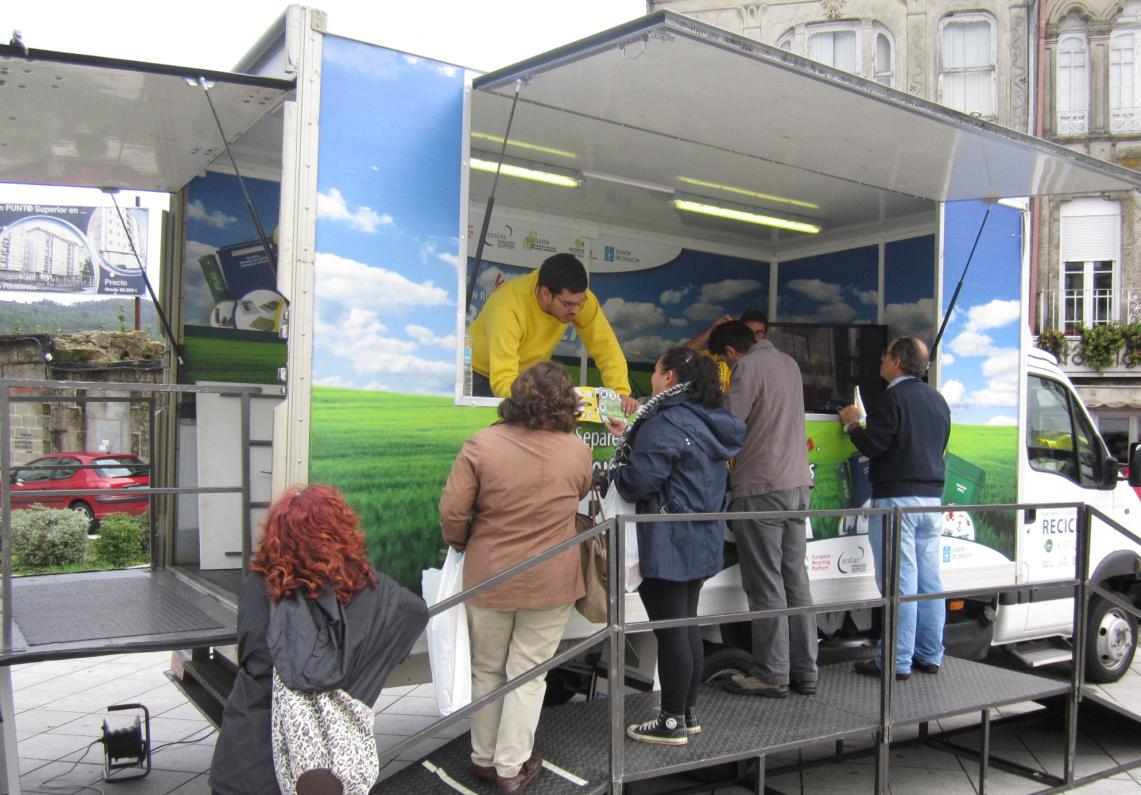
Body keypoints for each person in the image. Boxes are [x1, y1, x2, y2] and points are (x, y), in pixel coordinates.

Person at [210, 485, 428, 795]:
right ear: (342, 532)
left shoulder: (257, 589)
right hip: (326, 764)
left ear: (276, 536)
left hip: (246, 761)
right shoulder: (371, 594)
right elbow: (415, 613)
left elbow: (249, 656)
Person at [439, 362, 593, 794]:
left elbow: (452, 512)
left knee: (487, 670)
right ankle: (511, 768)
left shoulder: (482, 444)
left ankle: (483, 760)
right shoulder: (577, 450)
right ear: (567, 402)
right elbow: (581, 493)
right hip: (553, 579)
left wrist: (462, 544)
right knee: (528, 673)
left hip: (488, 575)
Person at [600, 347, 745, 745]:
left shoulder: (664, 420)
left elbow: (637, 483)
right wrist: (630, 437)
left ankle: (671, 721)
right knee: (686, 623)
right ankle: (687, 712)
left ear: (668, 377)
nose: (652, 376)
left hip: (666, 538)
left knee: (672, 631)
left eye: (656, 369)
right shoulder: (708, 418)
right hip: (700, 535)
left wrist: (615, 472)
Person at [709, 320, 818, 699]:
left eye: (724, 361)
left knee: (766, 584)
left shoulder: (747, 367)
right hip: (798, 487)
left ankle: (772, 674)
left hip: (762, 488)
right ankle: (805, 671)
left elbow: (729, 423)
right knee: (795, 581)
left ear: (731, 352)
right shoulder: (788, 363)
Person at [838, 336, 951, 680]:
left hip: (898, 500)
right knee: (929, 582)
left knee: (899, 584)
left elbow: (875, 445)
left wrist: (853, 423)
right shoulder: (938, 401)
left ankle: (896, 662)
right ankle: (929, 654)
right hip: (931, 501)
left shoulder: (891, 399)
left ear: (898, 362)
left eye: (885, 355)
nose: (881, 360)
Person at [468, 252, 638, 415]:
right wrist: (550, 400)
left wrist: (620, 392)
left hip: (528, 379)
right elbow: (503, 381)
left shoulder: (577, 299)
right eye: (567, 304)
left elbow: (605, 346)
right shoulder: (507, 308)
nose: (575, 310)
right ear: (545, 293)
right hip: (480, 374)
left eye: (580, 303)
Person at [684, 310, 769, 393]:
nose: (753, 338)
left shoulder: (769, 366)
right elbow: (682, 355)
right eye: (748, 333)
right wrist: (712, 331)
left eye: (759, 334)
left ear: (765, 337)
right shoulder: (723, 355)